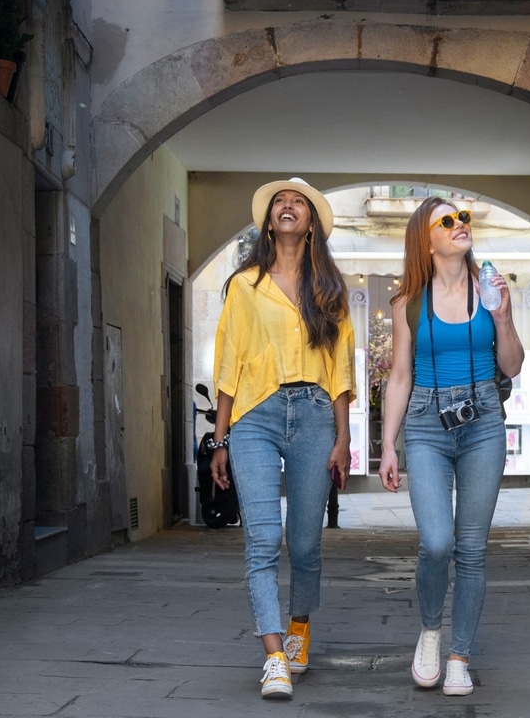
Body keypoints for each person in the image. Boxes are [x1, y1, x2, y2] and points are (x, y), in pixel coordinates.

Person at [207, 177, 354, 701]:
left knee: (306, 541)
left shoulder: (329, 289)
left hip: (315, 415)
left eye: (299, 203)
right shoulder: (244, 286)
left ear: (310, 224)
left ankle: (299, 628)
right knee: (264, 538)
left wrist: (343, 437)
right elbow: (229, 361)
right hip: (255, 416)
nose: (288, 206)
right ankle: (273, 656)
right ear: (270, 221)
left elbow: (340, 368)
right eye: (280, 202)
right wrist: (220, 438)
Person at [378, 198, 524, 696]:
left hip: (483, 421)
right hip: (425, 423)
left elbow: (512, 365)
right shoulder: (407, 302)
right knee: (437, 543)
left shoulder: (489, 288)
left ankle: (459, 656)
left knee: (472, 549)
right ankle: (430, 632)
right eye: (447, 221)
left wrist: (502, 317)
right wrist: (388, 445)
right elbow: (400, 375)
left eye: (463, 217)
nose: (460, 224)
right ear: (426, 240)